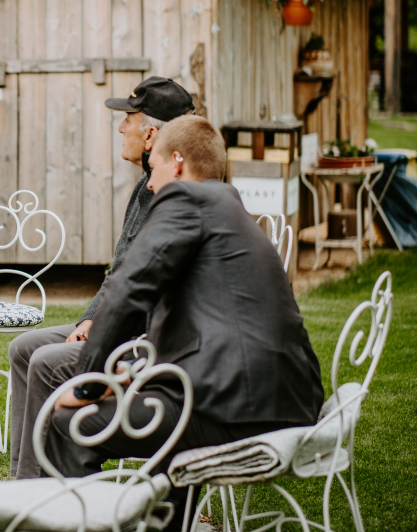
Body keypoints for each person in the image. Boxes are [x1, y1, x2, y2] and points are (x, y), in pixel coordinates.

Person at [46, 115, 325, 531]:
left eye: (154, 167)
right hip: (286, 404)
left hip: (234, 410)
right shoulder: (229, 209)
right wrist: (130, 375)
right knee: (161, 419)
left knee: (71, 421)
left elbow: (128, 288)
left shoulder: (186, 199)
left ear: (177, 162)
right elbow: (206, 327)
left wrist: (87, 383)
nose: (150, 185)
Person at [8, 76, 194, 479]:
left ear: (151, 135)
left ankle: (39, 489)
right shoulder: (146, 185)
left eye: (128, 120)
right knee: (23, 348)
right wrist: (91, 318)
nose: (121, 127)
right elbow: (120, 270)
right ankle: (23, 478)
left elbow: (145, 291)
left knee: (45, 361)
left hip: (144, 340)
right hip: (119, 323)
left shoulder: (173, 194)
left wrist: (102, 329)